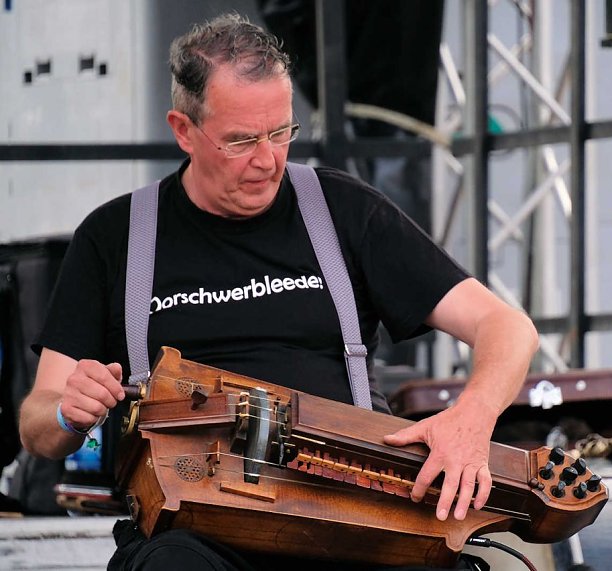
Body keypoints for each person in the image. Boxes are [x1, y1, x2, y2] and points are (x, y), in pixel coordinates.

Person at [18, 13, 538, 571]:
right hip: (199, 529)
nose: (267, 162)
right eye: (241, 140)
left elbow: (507, 327)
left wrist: (471, 418)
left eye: (280, 133)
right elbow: (38, 423)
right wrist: (71, 413)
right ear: (183, 129)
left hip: (357, 513)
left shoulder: (340, 208)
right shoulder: (115, 236)